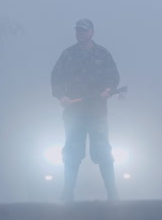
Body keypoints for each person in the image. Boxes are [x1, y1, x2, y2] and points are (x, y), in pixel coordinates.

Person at [51, 19, 120, 202]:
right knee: (72, 153)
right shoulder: (68, 54)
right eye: (78, 31)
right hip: (74, 112)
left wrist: (108, 89)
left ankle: (112, 194)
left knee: (103, 151)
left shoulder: (103, 54)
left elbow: (113, 76)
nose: (80, 33)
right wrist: (61, 96)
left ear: (92, 32)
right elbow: (56, 77)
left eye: (83, 30)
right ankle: (67, 193)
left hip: (97, 112)